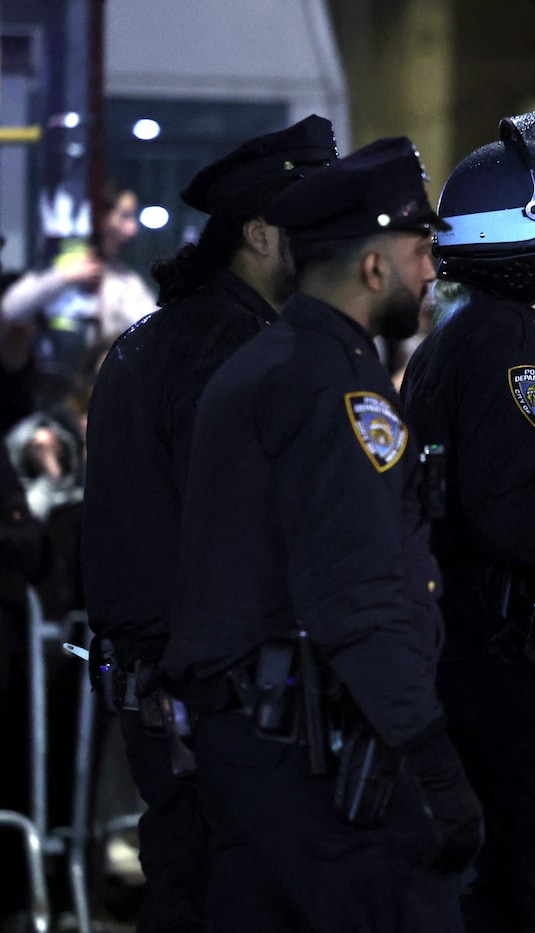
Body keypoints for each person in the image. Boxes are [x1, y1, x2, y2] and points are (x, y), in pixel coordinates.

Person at [160, 137, 480, 932]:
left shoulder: (276, 361)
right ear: (375, 267)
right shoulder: (334, 385)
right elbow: (357, 586)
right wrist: (430, 754)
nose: (433, 269)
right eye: (421, 249)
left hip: (259, 735)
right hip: (311, 749)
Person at [77, 115, 336, 932]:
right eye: (312, 223)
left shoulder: (162, 337)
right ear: (260, 233)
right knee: (232, 892)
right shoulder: (234, 350)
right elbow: (234, 532)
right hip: (217, 691)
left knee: (194, 878)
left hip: (176, 688)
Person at [399, 95, 535, 933]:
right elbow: (516, 513)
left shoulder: (468, 336)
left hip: (483, 653)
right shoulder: (511, 346)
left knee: (503, 885)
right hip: (522, 664)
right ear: (517, 237)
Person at [2, 181, 156, 408]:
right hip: (46, 396)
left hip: (100, 397)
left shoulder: (125, 280)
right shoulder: (60, 267)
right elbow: (11, 308)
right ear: (100, 217)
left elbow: (152, 330)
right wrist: (66, 277)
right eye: (124, 216)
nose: (132, 229)